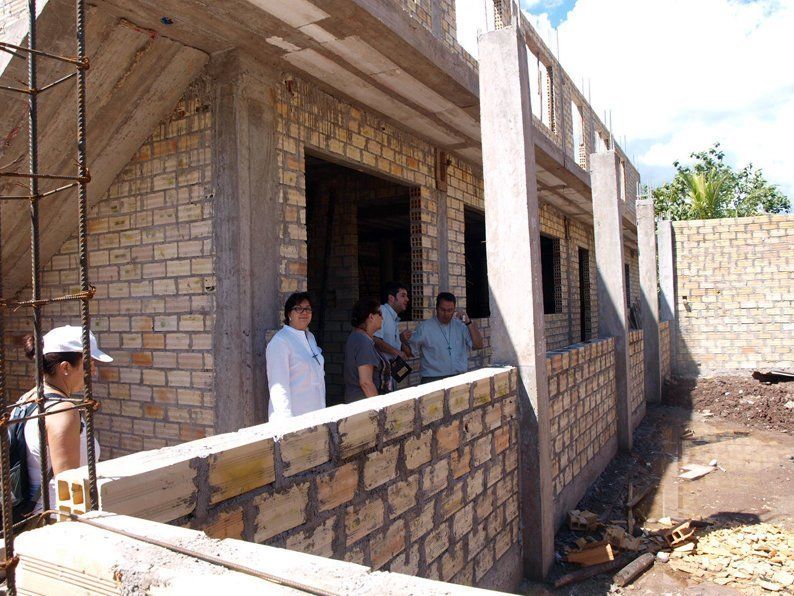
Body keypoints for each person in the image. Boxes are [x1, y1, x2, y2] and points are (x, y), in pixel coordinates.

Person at [17, 325, 112, 513]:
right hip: (52, 520)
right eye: (88, 364)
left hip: (30, 513)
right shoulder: (63, 411)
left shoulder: (28, 399)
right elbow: (68, 492)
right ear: (65, 367)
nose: (92, 371)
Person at [266, 292, 326, 421]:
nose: (304, 312)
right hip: (294, 421)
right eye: (298, 309)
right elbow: (278, 387)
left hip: (316, 415)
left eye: (308, 309)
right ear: (289, 314)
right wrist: (287, 425)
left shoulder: (310, 337)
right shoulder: (280, 342)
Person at [409, 292, 484, 383]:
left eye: (450, 310)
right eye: (442, 310)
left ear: (454, 310)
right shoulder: (424, 328)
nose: (446, 314)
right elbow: (411, 350)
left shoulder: (460, 326)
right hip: (432, 379)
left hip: (458, 378)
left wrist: (468, 322)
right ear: (436, 308)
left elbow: (478, 345)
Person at [343, 298, 388, 403]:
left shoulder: (358, 337)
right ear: (371, 317)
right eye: (380, 314)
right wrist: (379, 409)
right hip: (363, 404)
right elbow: (366, 383)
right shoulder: (363, 341)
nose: (382, 318)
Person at [373, 281, 412, 360]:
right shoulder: (382, 311)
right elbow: (375, 339)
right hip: (379, 370)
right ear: (391, 298)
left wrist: (399, 339)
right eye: (403, 296)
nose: (407, 299)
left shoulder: (392, 317)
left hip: (388, 370)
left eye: (406, 296)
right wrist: (397, 353)